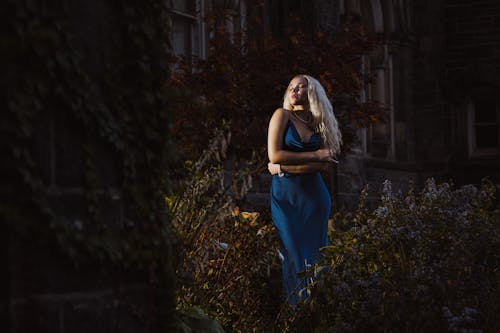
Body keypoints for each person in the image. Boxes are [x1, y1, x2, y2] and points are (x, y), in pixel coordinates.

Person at [267, 74, 342, 304]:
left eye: (301, 87)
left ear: (312, 95)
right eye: (291, 86)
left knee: (316, 257)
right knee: (292, 255)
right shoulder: (281, 116)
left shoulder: (318, 124)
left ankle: (316, 313)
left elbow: (325, 164)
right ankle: (295, 314)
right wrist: (313, 156)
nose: (295, 90)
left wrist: (282, 168)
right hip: (286, 198)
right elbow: (274, 154)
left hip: (315, 199)